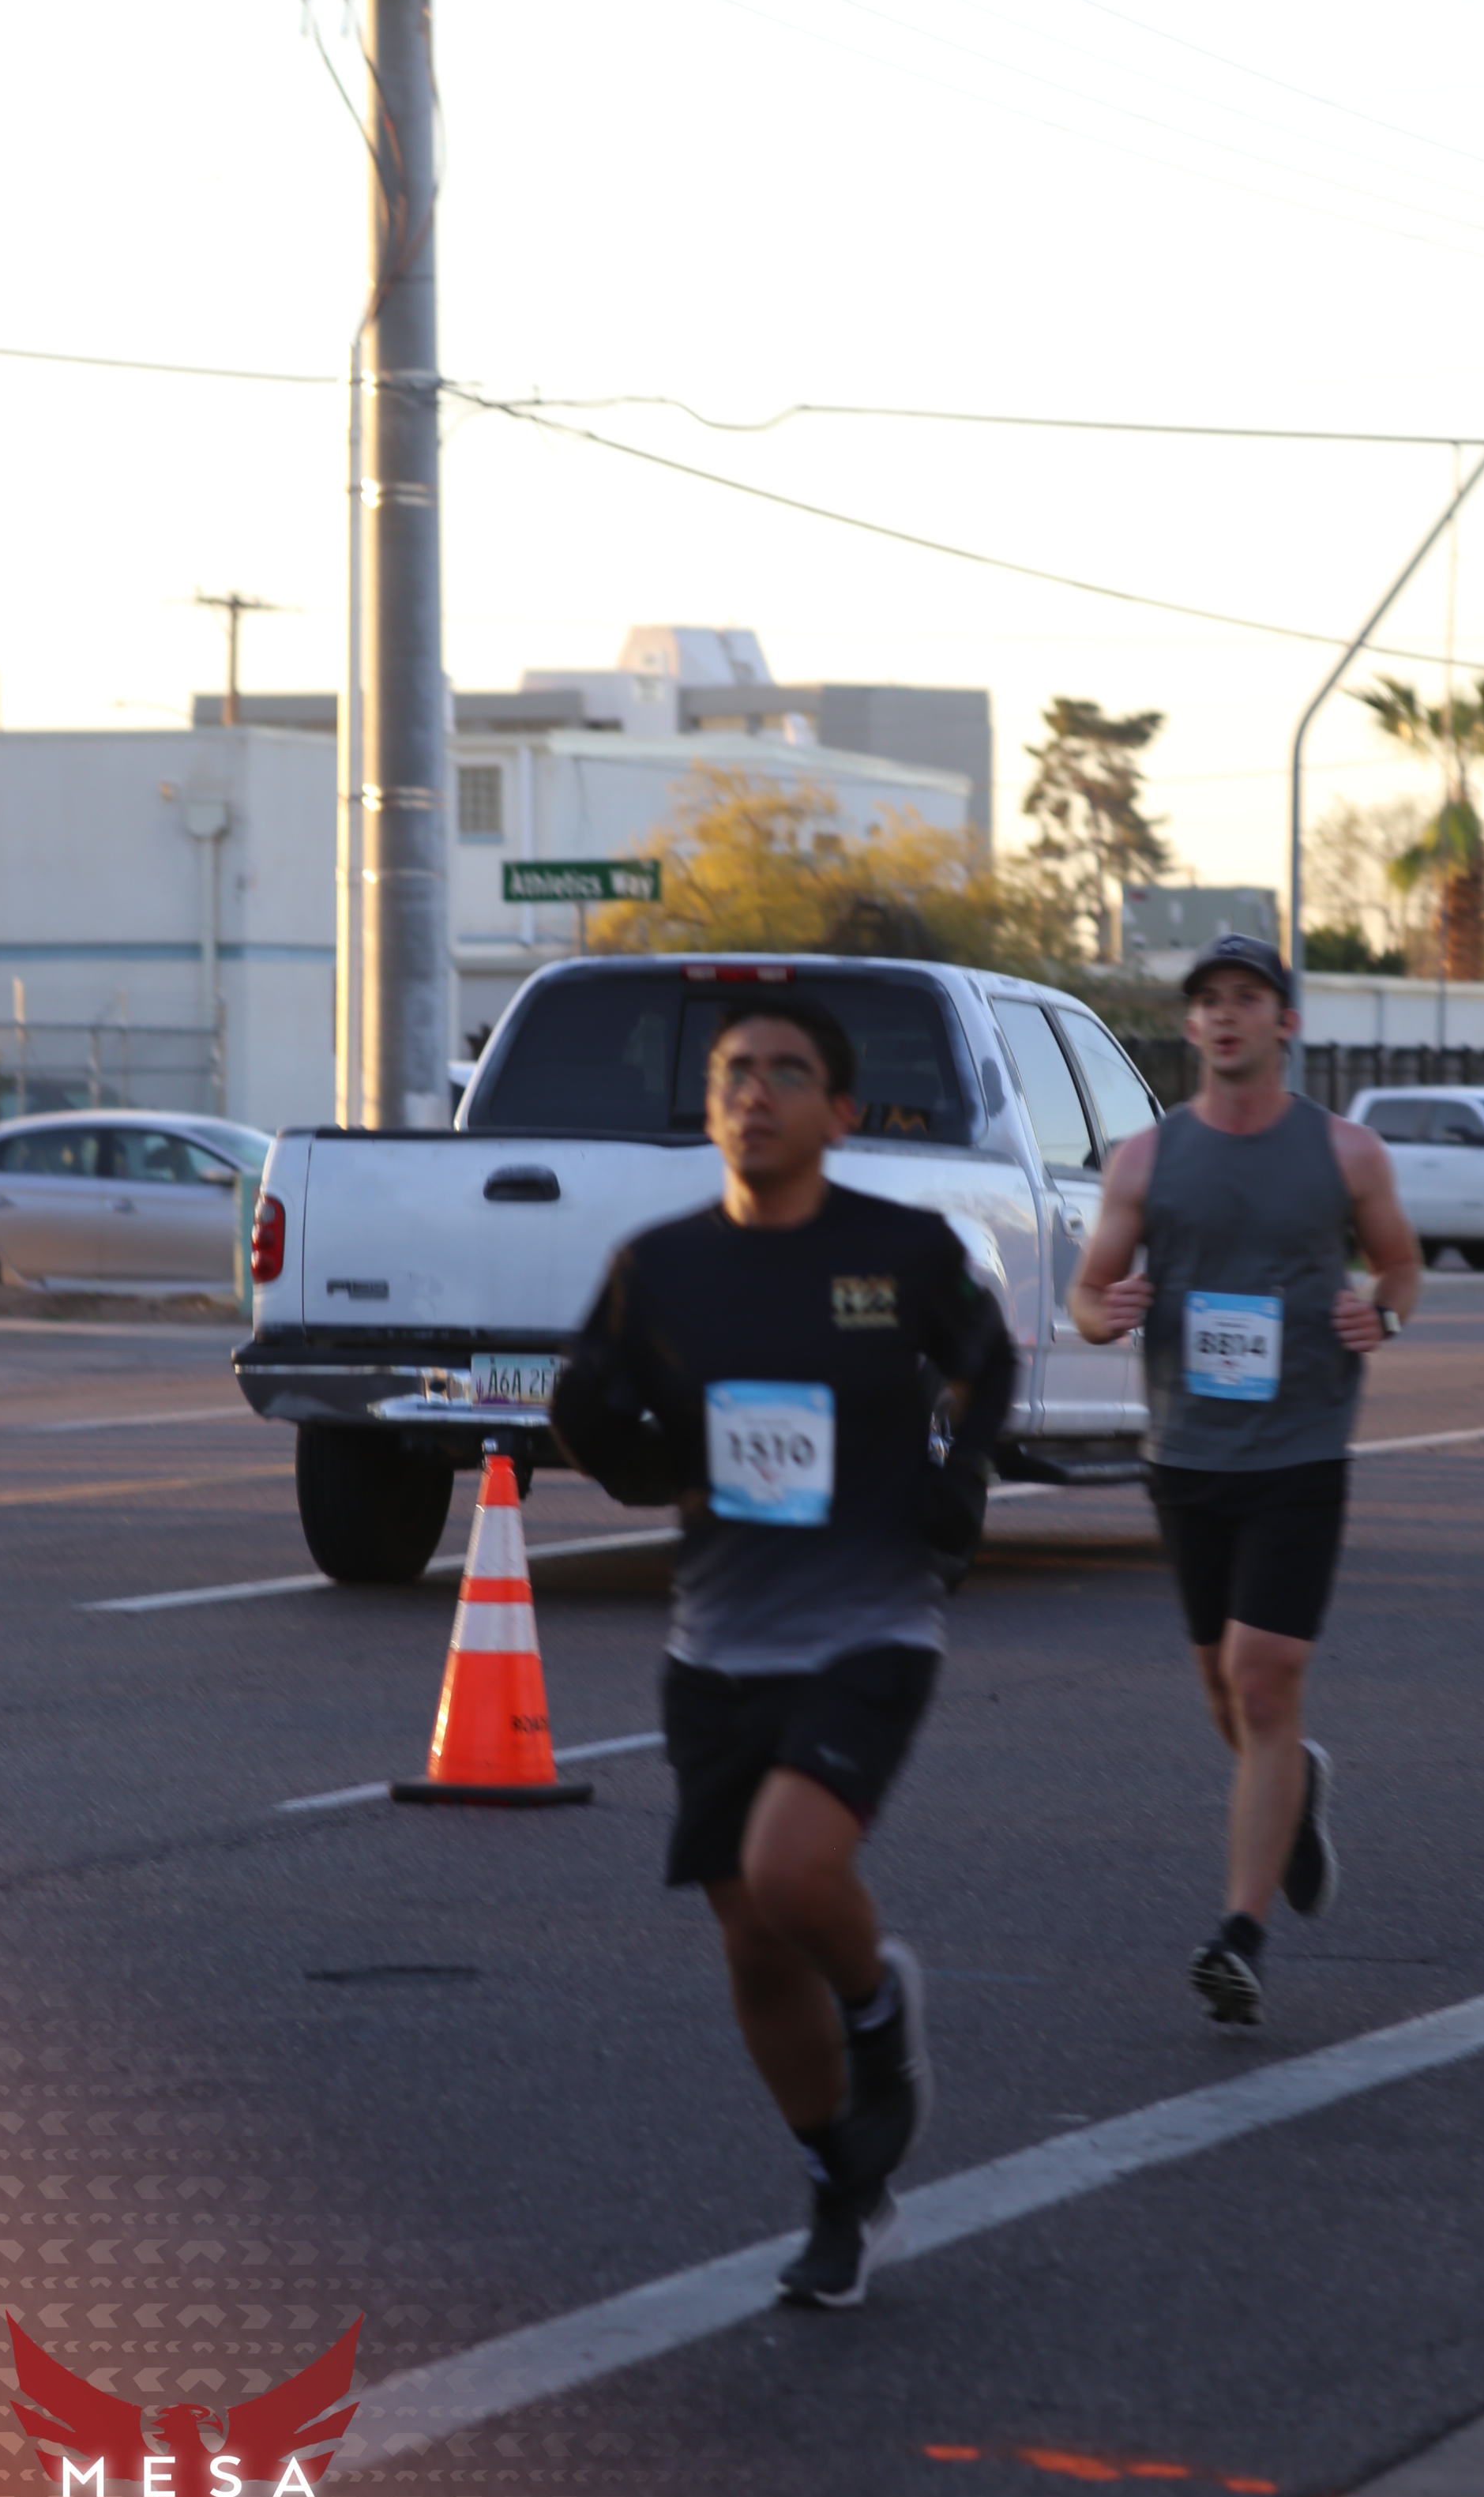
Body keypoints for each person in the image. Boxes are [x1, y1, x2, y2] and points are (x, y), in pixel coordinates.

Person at [553, 994, 1015, 2306]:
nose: (755, 1092)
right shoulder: (660, 1267)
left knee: (791, 1868)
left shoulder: (903, 1249)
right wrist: (643, 1463)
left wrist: (959, 1476)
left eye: (787, 1073)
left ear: (842, 1114)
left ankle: (878, 2018)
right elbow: (588, 1400)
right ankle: (841, 2187)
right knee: (754, 1944)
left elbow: (985, 1360)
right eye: (734, 1073)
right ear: (711, 1108)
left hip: (871, 1620)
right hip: (717, 1640)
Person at [1069, 934, 1420, 2025]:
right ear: (1192, 1025)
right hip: (1185, 1454)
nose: (1226, 1015)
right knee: (1228, 1697)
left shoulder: (1347, 1152)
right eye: (1209, 1001)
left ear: (1285, 1023)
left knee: (1261, 1677)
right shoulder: (1145, 1159)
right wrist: (1106, 1313)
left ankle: (1241, 1936)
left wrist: (1384, 1315)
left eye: (1248, 998)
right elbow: (1088, 1292)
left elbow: (1400, 1265)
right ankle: (1295, 1784)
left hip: (1301, 1448)